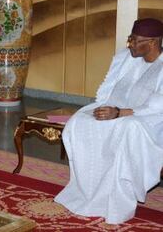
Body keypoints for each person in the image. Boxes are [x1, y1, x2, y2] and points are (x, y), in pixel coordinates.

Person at [55, 18, 163, 224]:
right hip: (117, 110)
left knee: (129, 128)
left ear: (152, 42)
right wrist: (106, 109)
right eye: (130, 39)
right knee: (80, 121)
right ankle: (89, 190)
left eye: (134, 40)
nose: (129, 44)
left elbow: (157, 107)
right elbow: (109, 90)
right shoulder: (125, 58)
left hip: (151, 122)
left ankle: (117, 199)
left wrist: (119, 113)